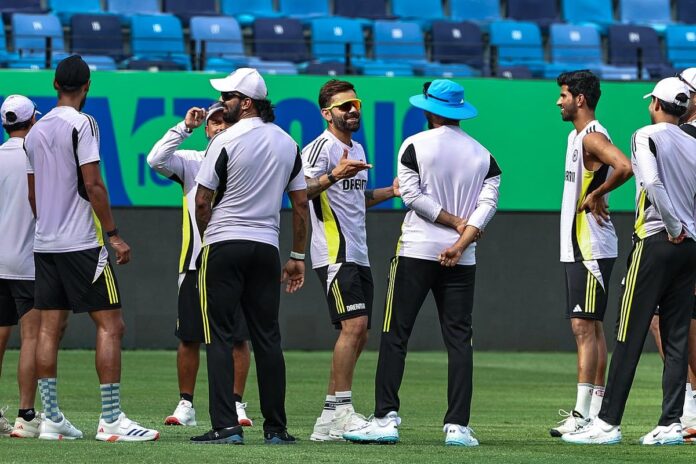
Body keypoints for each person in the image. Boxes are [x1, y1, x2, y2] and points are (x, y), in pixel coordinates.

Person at [344, 79, 501, 446]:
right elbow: (487, 207)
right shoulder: (485, 156)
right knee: (459, 340)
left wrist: (453, 222)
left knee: (395, 334)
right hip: (462, 258)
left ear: (431, 110)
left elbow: (411, 197)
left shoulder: (415, 144)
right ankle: (457, 426)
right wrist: (460, 241)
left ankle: (385, 419)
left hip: (416, 250)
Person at [24, 55, 159, 442]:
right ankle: (111, 420)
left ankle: (51, 418)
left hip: (45, 244)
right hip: (81, 243)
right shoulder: (83, 123)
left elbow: (33, 195)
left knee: (49, 328)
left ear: (54, 84)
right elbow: (94, 184)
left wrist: (49, 226)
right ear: (87, 87)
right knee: (112, 326)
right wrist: (113, 234)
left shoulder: (34, 132)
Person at [562, 77, 696, 445]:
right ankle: (671, 423)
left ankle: (607, 423)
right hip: (690, 247)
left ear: (657, 104)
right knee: (676, 337)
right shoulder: (693, 141)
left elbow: (650, 182)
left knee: (628, 332)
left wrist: (673, 226)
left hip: (656, 240)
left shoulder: (645, 135)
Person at [191, 68, 308, 445]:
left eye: (227, 97)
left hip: (225, 244)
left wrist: (209, 238)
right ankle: (276, 429)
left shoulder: (224, 140)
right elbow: (301, 204)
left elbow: (202, 200)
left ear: (246, 103)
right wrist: (297, 255)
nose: (221, 102)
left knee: (219, 337)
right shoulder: (288, 143)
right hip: (266, 248)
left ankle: (226, 427)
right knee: (268, 338)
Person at [301, 79, 399, 442]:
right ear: (327, 114)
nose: (353, 110)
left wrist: (391, 191)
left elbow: (357, 198)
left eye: (356, 104)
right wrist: (333, 174)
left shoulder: (356, 147)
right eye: (345, 106)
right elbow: (299, 191)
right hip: (333, 250)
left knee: (361, 333)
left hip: (358, 252)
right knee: (353, 327)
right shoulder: (320, 147)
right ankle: (343, 412)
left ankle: (328, 419)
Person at [147, 102, 254, 428]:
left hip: (235, 263)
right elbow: (155, 160)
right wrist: (185, 127)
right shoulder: (192, 161)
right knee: (189, 336)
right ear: (206, 129)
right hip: (195, 262)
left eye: (225, 121)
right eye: (214, 122)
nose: (220, 127)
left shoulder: (247, 160)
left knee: (238, 337)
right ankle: (186, 404)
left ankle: (236, 403)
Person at [550, 70, 633, 437]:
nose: (559, 101)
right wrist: (599, 192)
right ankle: (594, 412)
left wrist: (598, 195)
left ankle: (582, 413)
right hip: (580, 245)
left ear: (580, 99)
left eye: (564, 95)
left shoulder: (592, 136)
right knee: (590, 327)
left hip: (590, 246)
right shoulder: (576, 136)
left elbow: (625, 166)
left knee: (584, 327)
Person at [0, 95, 42, 438]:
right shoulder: (37, 156)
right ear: (33, 121)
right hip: (28, 260)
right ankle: (26, 416)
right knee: (32, 337)